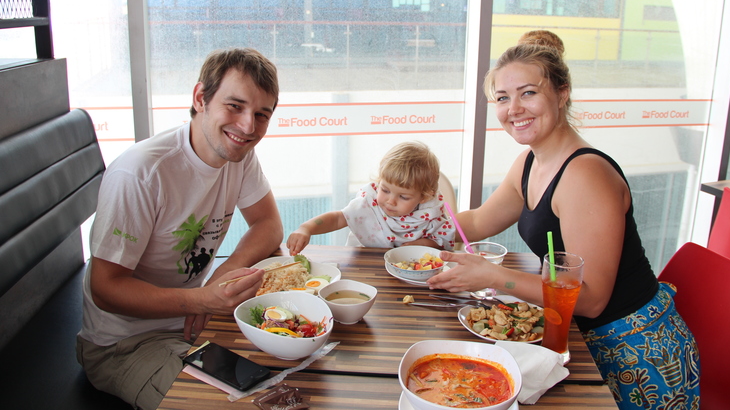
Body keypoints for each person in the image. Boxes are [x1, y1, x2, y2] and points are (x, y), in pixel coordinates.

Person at [427, 39, 700, 408]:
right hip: (576, 338)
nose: (514, 108)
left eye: (528, 93)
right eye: (503, 98)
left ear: (562, 93)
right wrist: (413, 226)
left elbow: (591, 299)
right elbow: (477, 221)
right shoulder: (530, 162)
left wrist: (493, 276)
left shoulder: (586, 174)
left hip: (635, 352)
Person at [77, 48, 284, 410]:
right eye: (234, 106)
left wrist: (222, 276)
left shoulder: (238, 155)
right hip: (125, 344)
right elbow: (105, 289)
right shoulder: (140, 173)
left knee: (290, 385)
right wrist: (201, 299)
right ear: (200, 98)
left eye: (261, 115)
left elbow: (269, 225)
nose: (248, 126)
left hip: (193, 323)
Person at [287, 141, 456, 254]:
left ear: (424, 197)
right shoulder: (369, 203)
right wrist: (306, 228)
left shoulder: (430, 214)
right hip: (364, 267)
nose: (390, 201)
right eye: (385, 190)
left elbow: (441, 242)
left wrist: (425, 244)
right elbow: (338, 219)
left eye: (403, 197)